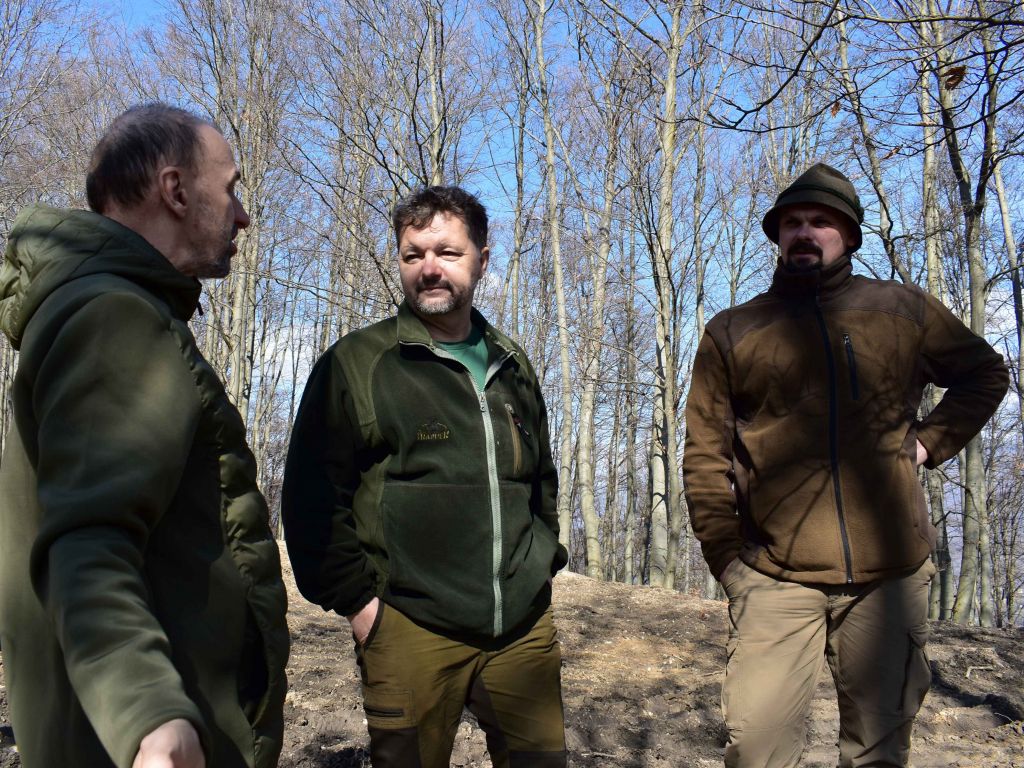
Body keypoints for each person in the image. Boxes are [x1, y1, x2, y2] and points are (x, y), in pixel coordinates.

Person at [683, 163, 1009, 768]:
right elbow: (705, 456)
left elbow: (986, 373)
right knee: (756, 749)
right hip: (775, 575)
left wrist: (927, 443)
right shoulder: (734, 330)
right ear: (778, 236)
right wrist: (727, 560)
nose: (805, 233)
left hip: (890, 574)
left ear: (850, 236)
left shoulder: (901, 311)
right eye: (792, 223)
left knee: (878, 751)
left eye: (821, 222)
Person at [0, 103, 289, 768]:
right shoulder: (115, 317)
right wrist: (149, 714)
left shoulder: (96, 305)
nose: (243, 215)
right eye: (231, 188)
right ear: (176, 191)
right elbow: (89, 539)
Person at [283, 185, 568, 768]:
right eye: (413, 255)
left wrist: (542, 562)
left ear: (482, 259)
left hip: (523, 629)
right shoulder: (359, 363)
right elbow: (312, 500)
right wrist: (362, 608)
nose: (429, 269)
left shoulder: (513, 365)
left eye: (447, 252)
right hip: (410, 628)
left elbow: (540, 480)